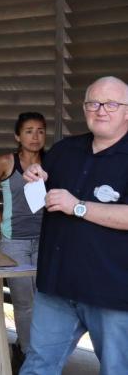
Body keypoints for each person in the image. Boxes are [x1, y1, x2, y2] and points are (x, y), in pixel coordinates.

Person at [21, 76, 128, 374]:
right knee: (38, 365)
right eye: (93, 103)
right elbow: (42, 191)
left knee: (117, 369)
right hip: (57, 287)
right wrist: (34, 173)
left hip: (112, 295)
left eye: (111, 104)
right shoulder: (65, 150)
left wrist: (78, 206)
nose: (101, 110)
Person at [0, 112, 47, 359]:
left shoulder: (52, 162)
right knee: (24, 301)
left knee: (46, 301)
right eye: (28, 131)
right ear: (18, 135)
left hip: (45, 240)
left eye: (40, 131)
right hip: (14, 241)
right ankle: (28, 354)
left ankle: (38, 350)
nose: (35, 136)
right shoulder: (6, 162)